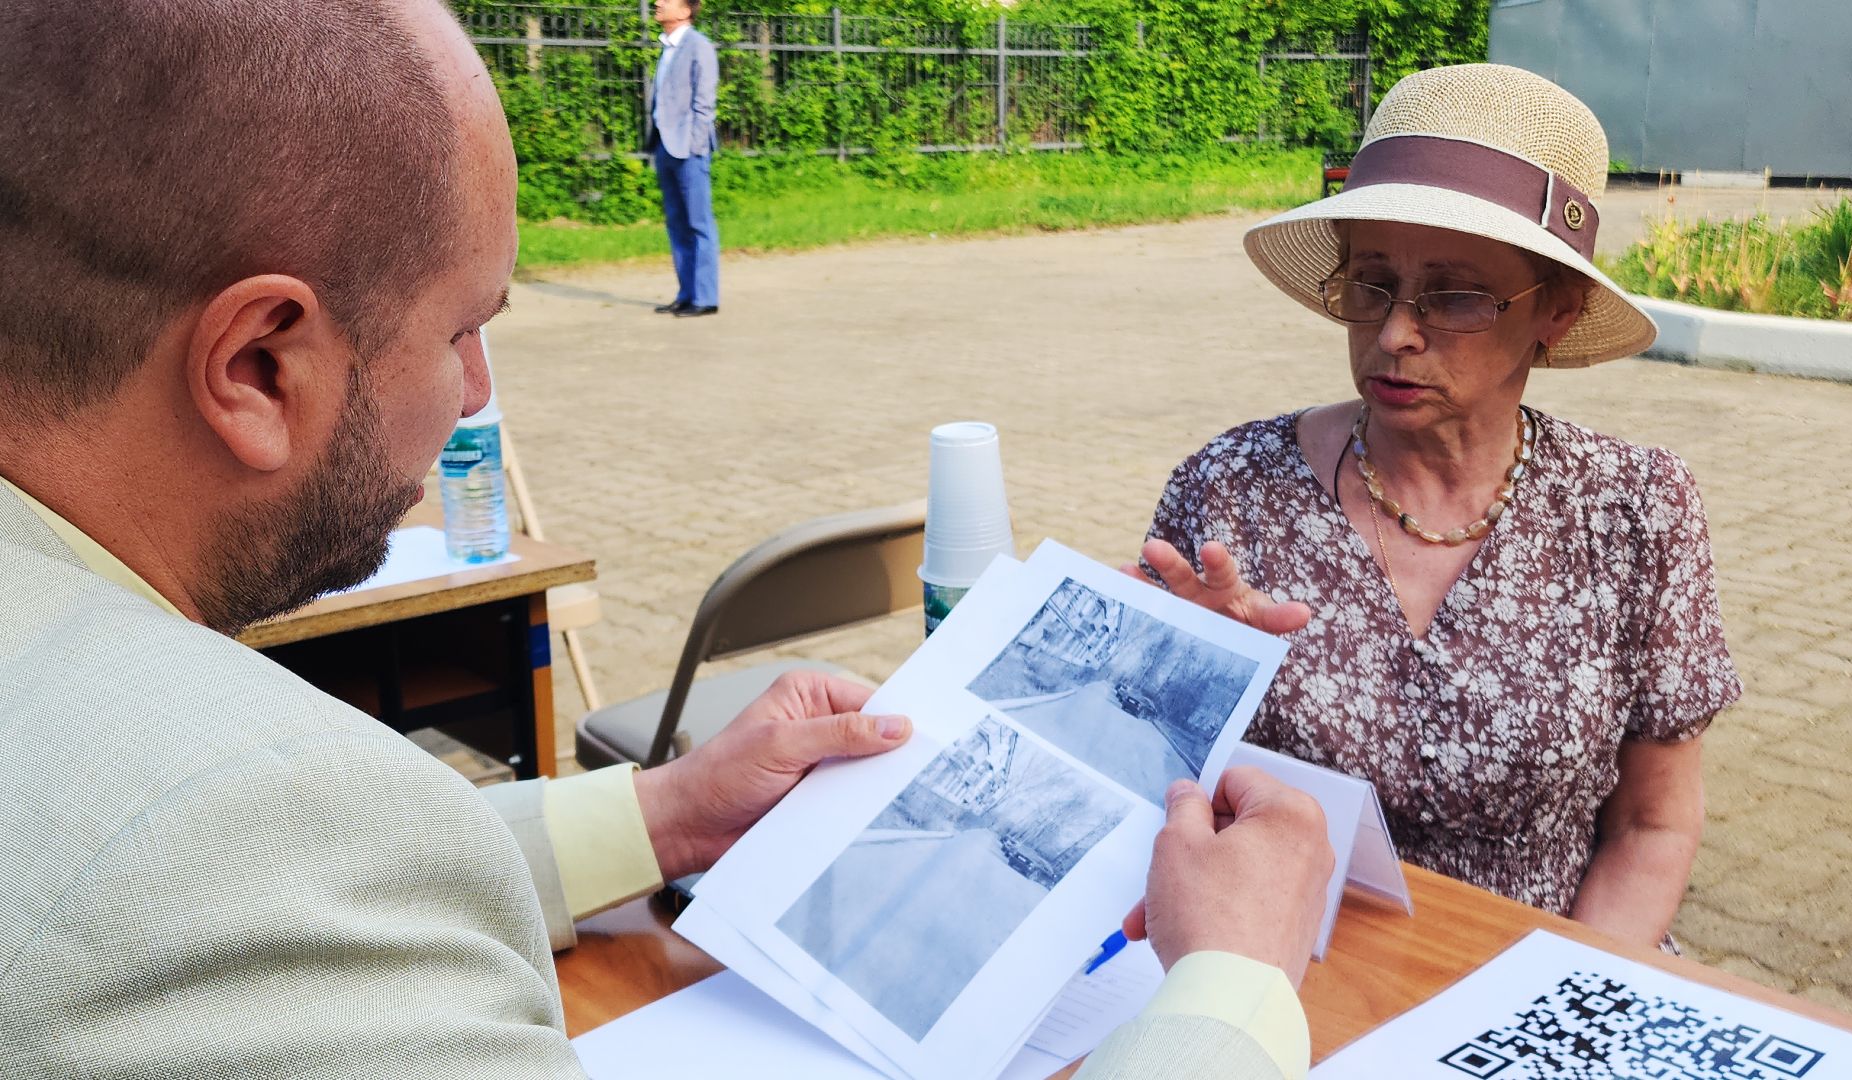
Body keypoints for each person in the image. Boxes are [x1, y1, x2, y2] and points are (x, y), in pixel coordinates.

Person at [0, 2, 1334, 1076]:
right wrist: (1230, 987)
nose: (474, 394)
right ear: (257, 367)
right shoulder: (232, 821)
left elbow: (328, 883)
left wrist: (670, 811)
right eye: (460, 330)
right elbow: (282, 873)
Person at [1133, 64, 1742, 951]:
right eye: (1371, 283)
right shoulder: (1229, 490)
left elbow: (1654, 826)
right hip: (1274, 964)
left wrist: (1549, 995)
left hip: (1554, 963)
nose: (1393, 334)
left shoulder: (1634, 511)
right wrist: (1184, 692)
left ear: (1557, 312)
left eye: (1455, 295)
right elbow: (1154, 791)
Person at [648, 0, 721, 318]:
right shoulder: (668, 47)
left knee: (698, 223)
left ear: (686, 10)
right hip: (665, 146)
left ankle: (705, 297)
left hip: (689, 149)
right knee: (676, 223)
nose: (658, 3)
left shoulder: (699, 46)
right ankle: (686, 294)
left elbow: (704, 103)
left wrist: (694, 145)